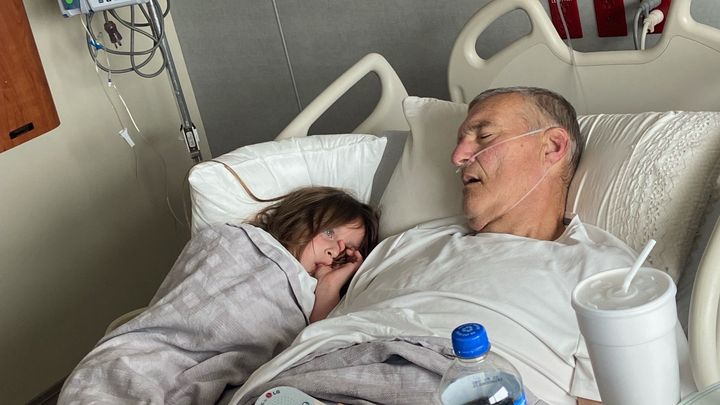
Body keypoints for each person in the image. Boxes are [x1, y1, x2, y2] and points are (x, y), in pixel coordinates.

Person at [230, 87, 688, 405]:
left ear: (552, 147)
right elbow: (326, 336)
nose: (457, 157)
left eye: (483, 137)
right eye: (459, 141)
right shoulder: (406, 243)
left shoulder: (608, 274)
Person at [58, 186, 380, 404]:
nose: (335, 247)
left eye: (347, 248)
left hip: (210, 377)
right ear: (299, 217)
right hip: (146, 352)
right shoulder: (233, 239)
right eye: (329, 232)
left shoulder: (312, 294)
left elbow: (313, 347)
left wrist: (328, 286)